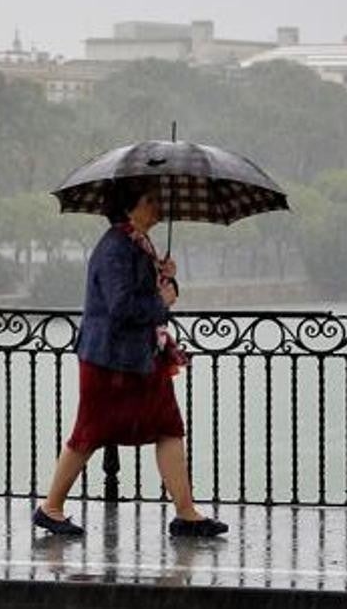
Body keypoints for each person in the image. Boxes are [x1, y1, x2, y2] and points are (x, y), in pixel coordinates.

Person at [33, 178, 228, 537]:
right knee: (89, 432)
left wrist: (165, 279)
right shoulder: (115, 249)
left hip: (139, 358)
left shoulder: (137, 245)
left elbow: (149, 299)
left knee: (168, 426)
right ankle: (51, 507)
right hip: (110, 361)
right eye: (151, 200)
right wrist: (162, 300)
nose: (158, 207)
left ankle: (186, 512)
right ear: (130, 207)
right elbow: (121, 307)